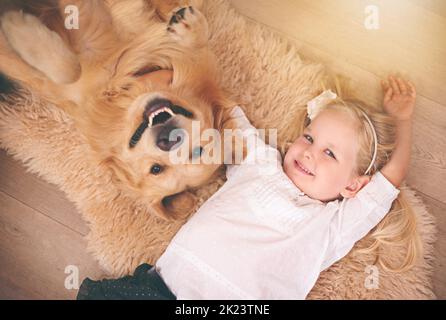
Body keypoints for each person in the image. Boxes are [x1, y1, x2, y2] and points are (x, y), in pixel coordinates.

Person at [77, 76, 419, 300]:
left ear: (353, 185)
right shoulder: (261, 162)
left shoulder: (330, 226)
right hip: (162, 288)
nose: (310, 152)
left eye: (329, 153)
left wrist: (402, 120)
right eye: (309, 138)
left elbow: (390, 180)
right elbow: (227, 112)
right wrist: (180, 74)